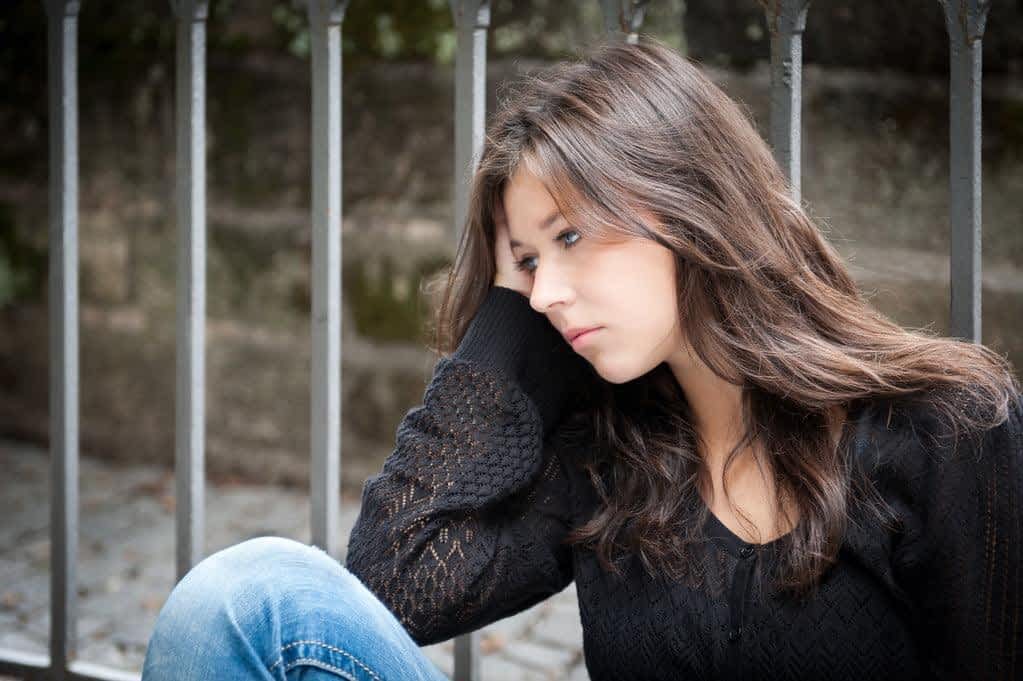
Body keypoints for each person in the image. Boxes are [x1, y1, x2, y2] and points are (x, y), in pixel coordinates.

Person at [141, 36, 1022, 680]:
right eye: (525, 262)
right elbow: (391, 583)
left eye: (571, 234)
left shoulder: (945, 428)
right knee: (242, 596)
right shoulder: (609, 461)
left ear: (688, 205)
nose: (547, 288)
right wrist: (510, 308)